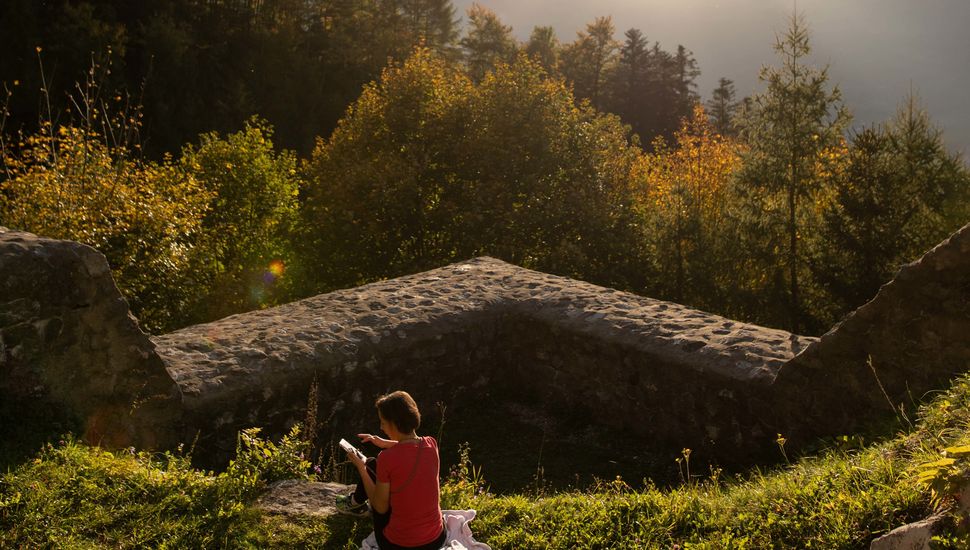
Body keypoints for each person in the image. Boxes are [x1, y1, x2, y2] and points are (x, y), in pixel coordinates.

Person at [338, 390, 447, 550]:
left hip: (399, 545)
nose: (381, 427)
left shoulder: (387, 458)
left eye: (383, 422)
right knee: (374, 464)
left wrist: (361, 468)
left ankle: (356, 503)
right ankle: (356, 501)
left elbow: (379, 507)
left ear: (394, 423)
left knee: (369, 465)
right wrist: (384, 442)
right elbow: (410, 449)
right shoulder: (431, 444)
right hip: (437, 539)